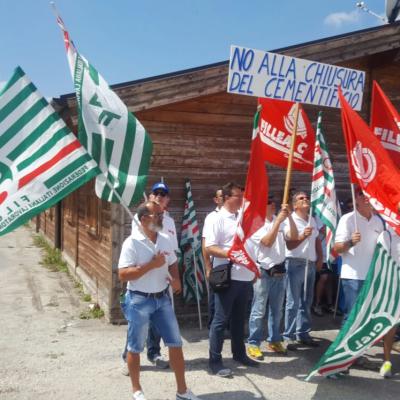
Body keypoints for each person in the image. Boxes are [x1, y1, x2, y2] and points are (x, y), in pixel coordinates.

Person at [119, 201, 200, 400]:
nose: (161, 217)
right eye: (157, 215)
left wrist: (177, 279)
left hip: (162, 299)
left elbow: (172, 262)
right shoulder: (131, 242)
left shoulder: (164, 239)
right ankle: (137, 390)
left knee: (175, 343)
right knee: (135, 347)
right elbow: (123, 274)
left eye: (161, 214)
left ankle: (182, 391)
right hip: (139, 300)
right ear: (144, 219)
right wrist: (151, 265)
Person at [205, 182, 258, 377]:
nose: (243, 199)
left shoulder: (243, 219)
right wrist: (230, 253)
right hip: (226, 275)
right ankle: (215, 360)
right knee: (220, 320)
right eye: (238, 196)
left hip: (244, 277)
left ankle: (239, 354)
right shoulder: (216, 218)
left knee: (239, 319)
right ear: (227, 197)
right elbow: (210, 246)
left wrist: (253, 270)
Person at [246, 195, 298, 360]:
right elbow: (267, 242)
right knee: (259, 310)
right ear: (262, 206)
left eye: (273, 202)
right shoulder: (256, 224)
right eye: (269, 202)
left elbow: (294, 236)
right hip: (264, 272)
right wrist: (277, 223)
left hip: (280, 271)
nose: (273, 204)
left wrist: (289, 216)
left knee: (277, 310)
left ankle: (275, 339)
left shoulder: (281, 220)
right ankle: (253, 343)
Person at [334, 188, 384, 324]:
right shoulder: (348, 219)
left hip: (372, 276)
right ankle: (346, 343)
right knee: (352, 317)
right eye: (362, 194)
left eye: (369, 193)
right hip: (353, 277)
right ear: (356, 198)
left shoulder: (378, 221)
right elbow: (337, 248)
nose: (366, 196)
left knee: (368, 316)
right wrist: (351, 242)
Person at [283, 191, 323, 349]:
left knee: (307, 301)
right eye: (301, 198)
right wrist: (302, 236)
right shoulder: (290, 219)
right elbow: (289, 245)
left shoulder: (312, 219)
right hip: (295, 263)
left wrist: (320, 258)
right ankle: (288, 336)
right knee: (293, 301)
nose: (305, 199)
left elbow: (317, 241)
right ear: (295, 205)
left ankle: (303, 333)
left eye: (306, 197)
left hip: (310, 263)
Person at [201, 188, 223, 329]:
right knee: (215, 299)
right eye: (221, 196)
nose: (224, 198)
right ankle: (214, 329)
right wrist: (208, 266)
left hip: (233, 265)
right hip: (217, 263)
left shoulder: (236, 215)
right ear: (216, 199)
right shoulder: (211, 217)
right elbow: (205, 243)